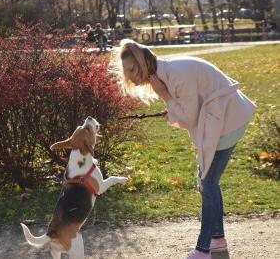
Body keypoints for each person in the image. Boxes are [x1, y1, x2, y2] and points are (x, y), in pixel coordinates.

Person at [109, 39, 256, 259]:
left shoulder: (175, 75)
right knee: (207, 182)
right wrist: (171, 104)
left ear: (143, 61)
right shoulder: (167, 72)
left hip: (229, 120)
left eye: (131, 69)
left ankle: (203, 249)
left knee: (208, 183)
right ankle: (217, 242)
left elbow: (189, 117)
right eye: (126, 72)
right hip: (222, 118)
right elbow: (190, 109)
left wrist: (166, 97)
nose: (129, 76)